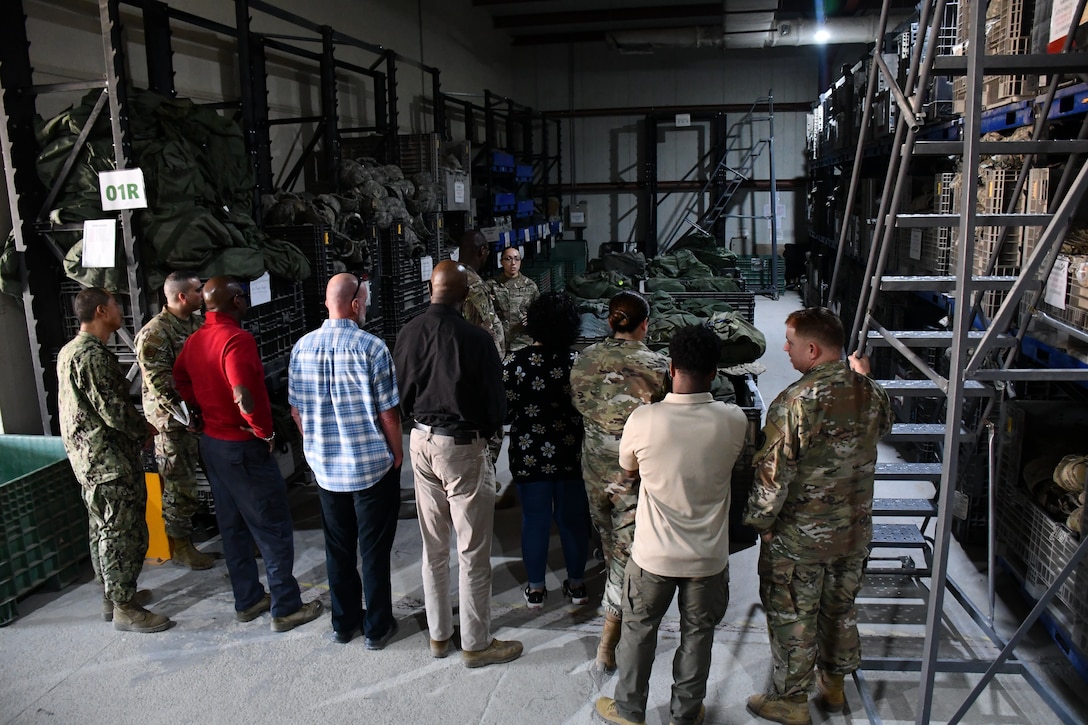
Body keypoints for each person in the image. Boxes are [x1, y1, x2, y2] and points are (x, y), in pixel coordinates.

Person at [595, 324, 749, 725]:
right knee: (698, 638)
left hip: (652, 555)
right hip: (708, 559)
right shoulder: (733, 421)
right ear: (715, 372)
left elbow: (628, 470)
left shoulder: (644, 420)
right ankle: (685, 714)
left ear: (670, 366)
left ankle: (629, 710)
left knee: (638, 633)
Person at [745, 307, 891, 725]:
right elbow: (884, 428)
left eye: (790, 343)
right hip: (853, 531)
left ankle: (791, 701)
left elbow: (773, 476)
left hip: (801, 537)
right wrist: (862, 378)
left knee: (793, 612)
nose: (785, 349)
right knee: (839, 607)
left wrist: (761, 524)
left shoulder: (794, 401)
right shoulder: (869, 392)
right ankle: (834, 685)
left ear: (812, 348)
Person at [393, 259, 523, 668]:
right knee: (472, 552)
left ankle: (438, 636)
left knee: (433, 549)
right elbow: (495, 406)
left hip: (420, 441)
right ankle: (476, 643)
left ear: (431, 289)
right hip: (461, 448)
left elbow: (399, 393)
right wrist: (483, 438)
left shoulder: (408, 332)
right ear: (467, 296)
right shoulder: (477, 340)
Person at [174, 276, 323, 633]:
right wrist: (264, 432)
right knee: (271, 526)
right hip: (243, 447)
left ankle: (248, 599)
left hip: (213, 444)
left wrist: (198, 412)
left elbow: (179, 379)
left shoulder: (195, 340)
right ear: (237, 301)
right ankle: (286, 607)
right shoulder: (237, 339)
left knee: (233, 526)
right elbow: (243, 392)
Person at [288, 274, 402, 648]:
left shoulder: (302, 348)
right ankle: (378, 627)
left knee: (337, 549)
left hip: (325, 469)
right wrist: (396, 452)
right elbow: (388, 413)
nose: (365, 307)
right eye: (364, 302)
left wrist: (317, 444)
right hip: (370, 468)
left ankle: (343, 624)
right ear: (354, 305)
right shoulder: (372, 348)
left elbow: (296, 410)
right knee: (373, 552)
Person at [57, 287, 172, 633]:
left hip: (88, 458)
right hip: (108, 461)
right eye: (115, 305)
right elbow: (115, 411)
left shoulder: (69, 351)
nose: (120, 310)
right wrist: (145, 430)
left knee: (101, 527)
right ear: (102, 312)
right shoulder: (92, 356)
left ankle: (113, 594)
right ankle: (125, 607)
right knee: (121, 531)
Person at [570, 290, 669, 672]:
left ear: (611, 321)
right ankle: (609, 639)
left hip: (594, 468)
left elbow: (579, 401)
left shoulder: (586, 360)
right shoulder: (658, 365)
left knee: (610, 539)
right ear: (645, 325)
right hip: (634, 473)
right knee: (628, 551)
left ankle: (615, 610)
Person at [502, 292, 588, 609]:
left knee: (534, 520)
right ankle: (577, 585)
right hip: (571, 454)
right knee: (572, 520)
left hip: (529, 455)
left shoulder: (514, 364)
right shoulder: (579, 364)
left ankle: (536, 589)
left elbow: (505, 413)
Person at [134, 270, 216, 570]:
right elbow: (160, 384)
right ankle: (181, 545)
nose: (202, 295)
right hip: (172, 423)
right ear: (182, 296)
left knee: (216, 476)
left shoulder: (197, 323)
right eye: (197, 290)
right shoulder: (155, 334)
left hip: (199, 414)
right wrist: (187, 416)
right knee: (179, 484)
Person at [458, 229, 505, 357]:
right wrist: (496, 361)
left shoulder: (454, 276)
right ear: (482, 251)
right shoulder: (474, 285)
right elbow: (484, 329)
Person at [490, 247, 539, 354]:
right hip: (499, 343)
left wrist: (532, 317)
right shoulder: (492, 285)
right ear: (501, 261)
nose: (513, 263)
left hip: (523, 342)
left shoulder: (530, 286)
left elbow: (540, 312)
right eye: (508, 259)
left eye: (517, 259)